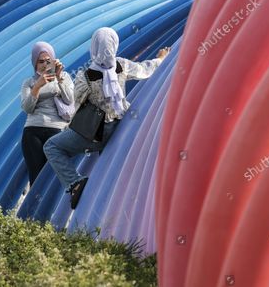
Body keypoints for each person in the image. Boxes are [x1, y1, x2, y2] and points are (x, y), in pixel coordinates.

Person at [44, 27, 169, 209]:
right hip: (123, 128)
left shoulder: (86, 76)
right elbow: (145, 70)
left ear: (94, 47)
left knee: (52, 146)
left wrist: (60, 81)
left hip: (95, 135)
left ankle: (75, 182)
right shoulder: (121, 65)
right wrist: (162, 59)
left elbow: (73, 105)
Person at [21, 41, 75, 188]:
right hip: (33, 131)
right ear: (35, 63)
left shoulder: (64, 77)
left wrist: (59, 78)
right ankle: (33, 211)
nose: (44, 65)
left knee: (56, 177)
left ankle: (55, 210)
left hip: (57, 130)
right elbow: (27, 108)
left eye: (48, 61)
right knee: (36, 177)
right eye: (40, 62)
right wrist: (38, 86)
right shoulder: (29, 82)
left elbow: (70, 99)